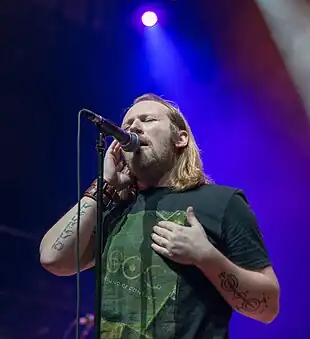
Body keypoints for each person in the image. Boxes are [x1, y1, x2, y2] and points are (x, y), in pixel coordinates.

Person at [40, 93, 280, 339]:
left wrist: (206, 257)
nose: (133, 127)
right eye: (128, 125)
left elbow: (268, 307)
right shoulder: (115, 208)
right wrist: (103, 188)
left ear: (180, 138)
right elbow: (53, 258)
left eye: (148, 120)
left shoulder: (223, 203)